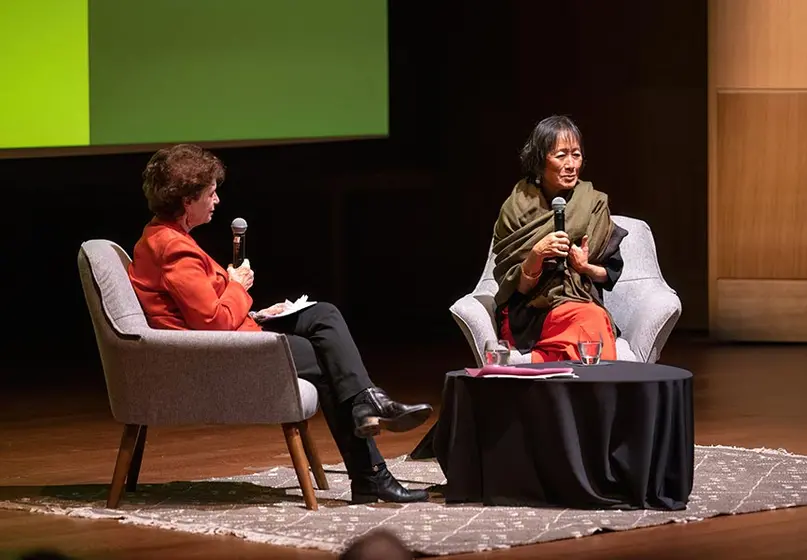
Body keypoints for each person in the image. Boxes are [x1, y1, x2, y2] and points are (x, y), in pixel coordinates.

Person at [128, 143, 432, 504]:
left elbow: (203, 312)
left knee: (324, 315)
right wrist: (238, 287)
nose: (217, 201)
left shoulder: (165, 237)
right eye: (210, 193)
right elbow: (213, 322)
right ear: (185, 200)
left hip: (231, 338)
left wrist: (255, 313)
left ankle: (368, 404)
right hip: (217, 356)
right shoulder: (173, 249)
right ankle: (370, 468)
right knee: (328, 362)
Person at [492, 115, 628, 363]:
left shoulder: (593, 203)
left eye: (576, 155)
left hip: (578, 300)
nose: (571, 164)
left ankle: (563, 382)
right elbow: (514, 288)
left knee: (591, 319)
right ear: (539, 160)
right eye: (561, 155)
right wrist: (537, 254)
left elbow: (609, 273)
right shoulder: (515, 208)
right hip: (530, 311)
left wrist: (585, 267)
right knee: (590, 323)